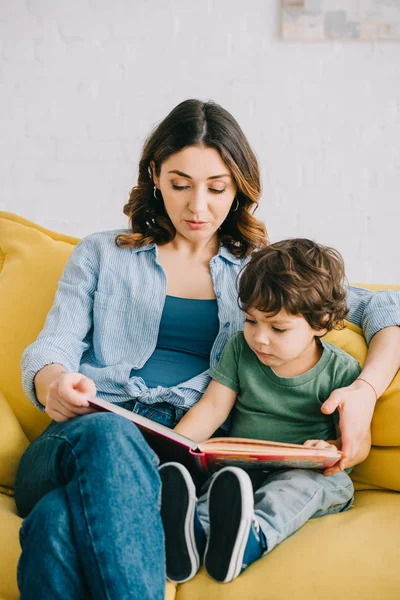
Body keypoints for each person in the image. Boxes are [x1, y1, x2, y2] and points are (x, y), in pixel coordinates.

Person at [15, 99, 400, 600]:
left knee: (53, 523)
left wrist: (366, 391)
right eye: (180, 185)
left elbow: (385, 307)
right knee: (110, 432)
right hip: (81, 436)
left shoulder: (264, 273)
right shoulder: (102, 253)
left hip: (179, 459)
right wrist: (53, 382)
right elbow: (55, 343)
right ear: (155, 175)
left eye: (216, 188)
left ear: (239, 186)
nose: (198, 207)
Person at [160, 238, 369, 584]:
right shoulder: (240, 350)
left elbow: (360, 441)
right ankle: (193, 538)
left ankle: (249, 542)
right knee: (222, 487)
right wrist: (176, 447)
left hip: (311, 474)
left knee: (295, 489)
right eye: (251, 321)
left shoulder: (340, 372)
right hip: (244, 469)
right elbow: (212, 408)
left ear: (321, 322)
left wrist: (334, 450)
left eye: (278, 328)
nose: (260, 338)